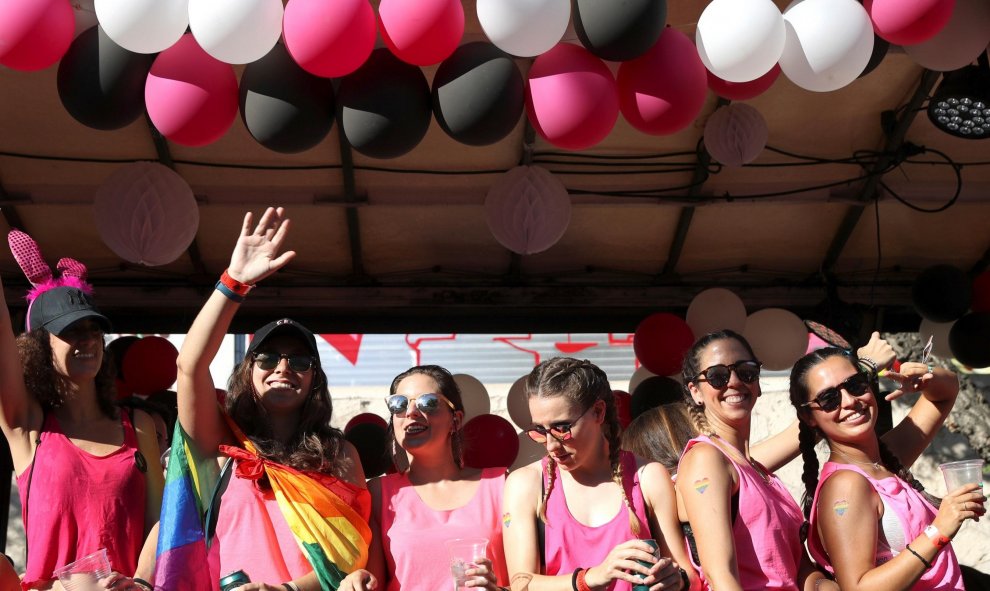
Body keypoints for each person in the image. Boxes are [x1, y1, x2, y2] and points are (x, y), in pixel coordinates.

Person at [166, 207, 371, 590]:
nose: (283, 367)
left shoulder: (338, 453)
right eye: (268, 357)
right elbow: (189, 366)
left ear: (314, 379)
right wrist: (234, 283)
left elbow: (349, 560)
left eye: (299, 360)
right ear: (249, 371)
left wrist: (284, 590)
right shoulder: (221, 445)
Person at [0, 231, 163, 589]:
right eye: (70, 331)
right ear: (38, 345)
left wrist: (141, 582)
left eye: (93, 329)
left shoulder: (139, 425)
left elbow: (160, 520)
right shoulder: (28, 427)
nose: (87, 339)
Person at [788, 347, 985, 591]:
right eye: (829, 399)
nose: (850, 401)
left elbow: (945, 392)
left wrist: (927, 374)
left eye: (856, 385)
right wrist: (940, 530)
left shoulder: (885, 459)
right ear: (809, 417)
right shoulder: (845, 485)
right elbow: (858, 587)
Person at [503, 357, 694, 591]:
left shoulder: (648, 476)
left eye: (562, 428)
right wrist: (590, 578)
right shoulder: (526, 483)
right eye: (540, 431)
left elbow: (686, 574)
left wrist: (676, 580)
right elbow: (520, 583)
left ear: (598, 412)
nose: (551, 444)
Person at [676, 329, 833, 591]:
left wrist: (824, 586)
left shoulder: (759, 472)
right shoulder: (706, 459)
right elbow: (721, 576)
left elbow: (798, 568)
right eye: (717, 376)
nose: (734, 381)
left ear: (758, 382)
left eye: (746, 371)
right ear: (696, 392)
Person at [340, 365, 508, 591]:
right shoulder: (379, 493)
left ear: (455, 420)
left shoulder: (500, 485)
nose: (410, 412)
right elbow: (373, 582)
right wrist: (357, 580)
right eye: (398, 404)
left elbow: (526, 580)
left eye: (427, 402)